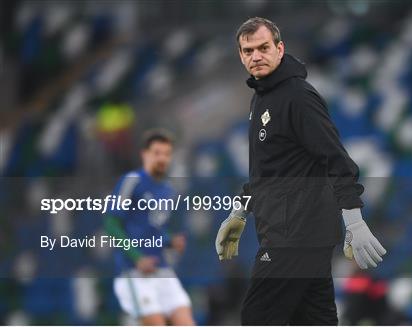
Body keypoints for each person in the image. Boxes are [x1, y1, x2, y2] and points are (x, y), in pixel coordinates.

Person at [215, 17, 387, 325]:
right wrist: (240, 211)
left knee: (258, 317)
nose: (256, 56)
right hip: (298, 236)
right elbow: (268, 171)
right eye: (247, 50)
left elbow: (336, 159)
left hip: (294, 235)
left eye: (263, 48)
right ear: (240, 56)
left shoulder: (298, 96)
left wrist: (354, 220)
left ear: (280, 49)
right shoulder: (262, 98)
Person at [105, 129, 195, 326]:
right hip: (135, 273)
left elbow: (153, 228)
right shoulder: (132, 181)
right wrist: (137, 258)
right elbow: (111, 224)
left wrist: (170, 240)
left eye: (166, 153)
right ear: (144, 154)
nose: (162, 158)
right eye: (157, 153)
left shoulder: (167, 190)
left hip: (161, 269)